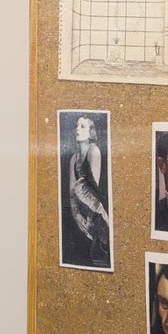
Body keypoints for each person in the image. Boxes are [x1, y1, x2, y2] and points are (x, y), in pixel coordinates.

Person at [59, 114, 112, 269]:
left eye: (82, 126)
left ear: (91, 133)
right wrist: (77, 216)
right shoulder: (74, 158)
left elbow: (94, 193)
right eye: (76, 126)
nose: (77, 129)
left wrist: (88, 220)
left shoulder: (94, 151)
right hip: (80, 214)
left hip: (95, 213)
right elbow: (71, 192)